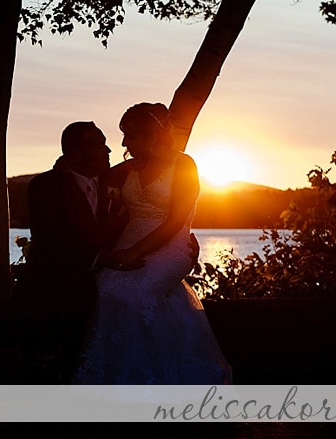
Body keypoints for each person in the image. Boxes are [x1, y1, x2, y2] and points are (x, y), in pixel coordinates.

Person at [73, 102, 232, 384]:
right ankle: (113, 376)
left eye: (130, 136)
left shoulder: (184, 165)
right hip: (128, 240)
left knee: (139, 291)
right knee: (107, 286)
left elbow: (175, 220)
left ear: (153, 136)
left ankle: (151, 377)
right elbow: (94, 175)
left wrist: (135, 252)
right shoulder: (127, 168)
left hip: (171, 242)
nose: (123, 142)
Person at [13, 121, 114, 380]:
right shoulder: (45, 187)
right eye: (98, 144)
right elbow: (51, 244)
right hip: (61, 288)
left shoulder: (114, 182)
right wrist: (102, 260)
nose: (108, 150)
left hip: (110, 284)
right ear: (74, 154)